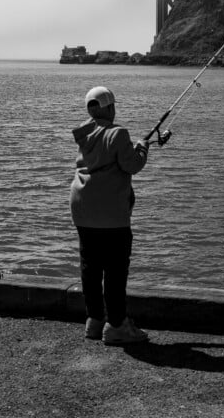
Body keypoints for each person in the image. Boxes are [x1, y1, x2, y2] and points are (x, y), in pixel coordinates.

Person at [69, 85, 150, 345]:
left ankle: (94, 320)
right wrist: (142, 147)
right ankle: (116, 325)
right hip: (111, 214)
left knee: (90, 267)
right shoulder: (118, 133)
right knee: (115, 270)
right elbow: (132, 165)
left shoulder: (84, 134)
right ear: (110, 108)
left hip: (82, 208)